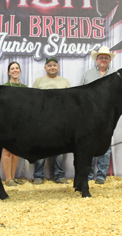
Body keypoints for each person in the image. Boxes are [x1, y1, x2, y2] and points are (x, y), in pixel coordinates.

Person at [79, 46, 116, 184]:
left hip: (108, 115)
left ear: (109, 60)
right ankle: (88, 174)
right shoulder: (88, 74)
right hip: (89, 115)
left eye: (106, 57)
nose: (104, 59)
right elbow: (80, 93)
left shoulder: (115, 75)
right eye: (101, 57)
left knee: (106, 145)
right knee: (89, 144)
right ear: (97, 59)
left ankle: (101, 175)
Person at [32, 57, 71, 185]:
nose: (52, 67)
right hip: (41, 120)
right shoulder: (38, 81)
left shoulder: (65, 82)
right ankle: (38, 175)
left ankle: (59, 175)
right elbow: (32, 101)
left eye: (54, 65)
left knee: (59, 149)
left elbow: (70, 102)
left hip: (60, 121)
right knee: (39, 148)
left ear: (58, 67)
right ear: (45, 68)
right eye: (49, 65)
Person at [1, 62, 27, 186]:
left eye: (17, 68)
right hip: (7, 123)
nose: (15, 70)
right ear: (9, 72)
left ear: (20, 71)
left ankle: (13, 177)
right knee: (7, 151)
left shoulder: (25, 88)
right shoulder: (4, 87)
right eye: (12, 68)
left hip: (20, 124)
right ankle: (7, 179)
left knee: (16, 151)